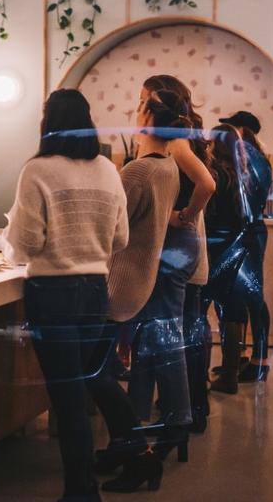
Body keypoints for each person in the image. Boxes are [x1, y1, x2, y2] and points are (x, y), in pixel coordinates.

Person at [4, 89, 129, 502]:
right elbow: (121, 237)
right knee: (87, 386)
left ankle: (81, 490)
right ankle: (103, 472)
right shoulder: (108, 170)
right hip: (95, 290)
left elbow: (26, 243)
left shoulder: (37, 170)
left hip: (52, 292)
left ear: (48, 123)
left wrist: (10, 234)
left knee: (67, 397)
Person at [90, 87, 188, 493]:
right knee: (104, 369)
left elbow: (109, 229)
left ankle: (139, 456)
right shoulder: (168, 167)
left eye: (139, 106)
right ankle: (121, 445)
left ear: (147, 119)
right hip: (140, 281)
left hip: (119, 282)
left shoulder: (137, 171)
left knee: (93, 373)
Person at [131, 76, 215, 437]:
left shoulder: (174, 142)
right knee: (156, 332)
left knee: (164, 332)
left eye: (141, 100)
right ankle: (139, 416)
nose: (136, 107)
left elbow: (207, 184)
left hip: (174, 245)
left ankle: (177, 416)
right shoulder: (166, 142)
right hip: (172, 244)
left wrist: (184, 216)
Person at [212, 111, 273, 385]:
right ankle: (243, 360)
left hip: (244, 233)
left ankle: (254, 362)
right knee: (245, 296)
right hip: (253, 232)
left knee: (247, 298)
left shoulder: (245, 162)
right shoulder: (256, 160)